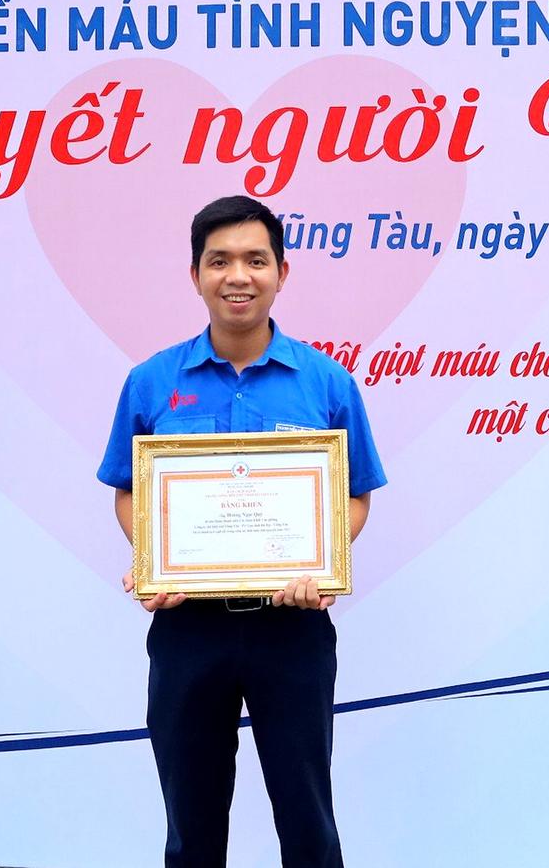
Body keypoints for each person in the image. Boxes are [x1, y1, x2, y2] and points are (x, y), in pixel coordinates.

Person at [97, 195, 385, 868]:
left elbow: (355, 495)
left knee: (308, 824)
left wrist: (322, 561)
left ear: (282, 272)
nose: (238, 276)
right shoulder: (151, 382)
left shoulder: (326, 383)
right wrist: (155, 558)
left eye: (256, 260)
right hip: (188, 629)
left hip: (293, 628)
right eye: (219, 260)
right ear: (195, 274)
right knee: (191, 828)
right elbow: (129, 491)